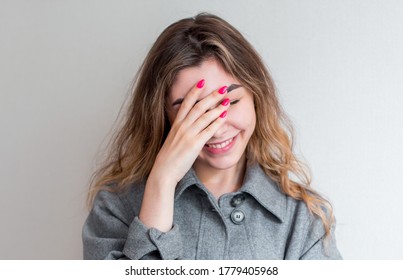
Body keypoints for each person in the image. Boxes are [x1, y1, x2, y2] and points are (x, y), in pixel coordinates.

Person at [82, 13, 342, 260]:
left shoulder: (302, 218)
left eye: (231, 101)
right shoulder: (115, 209)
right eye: (193, 110)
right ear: (163, 114)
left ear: (256, 98)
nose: (216, 128)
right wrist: (161, 183)